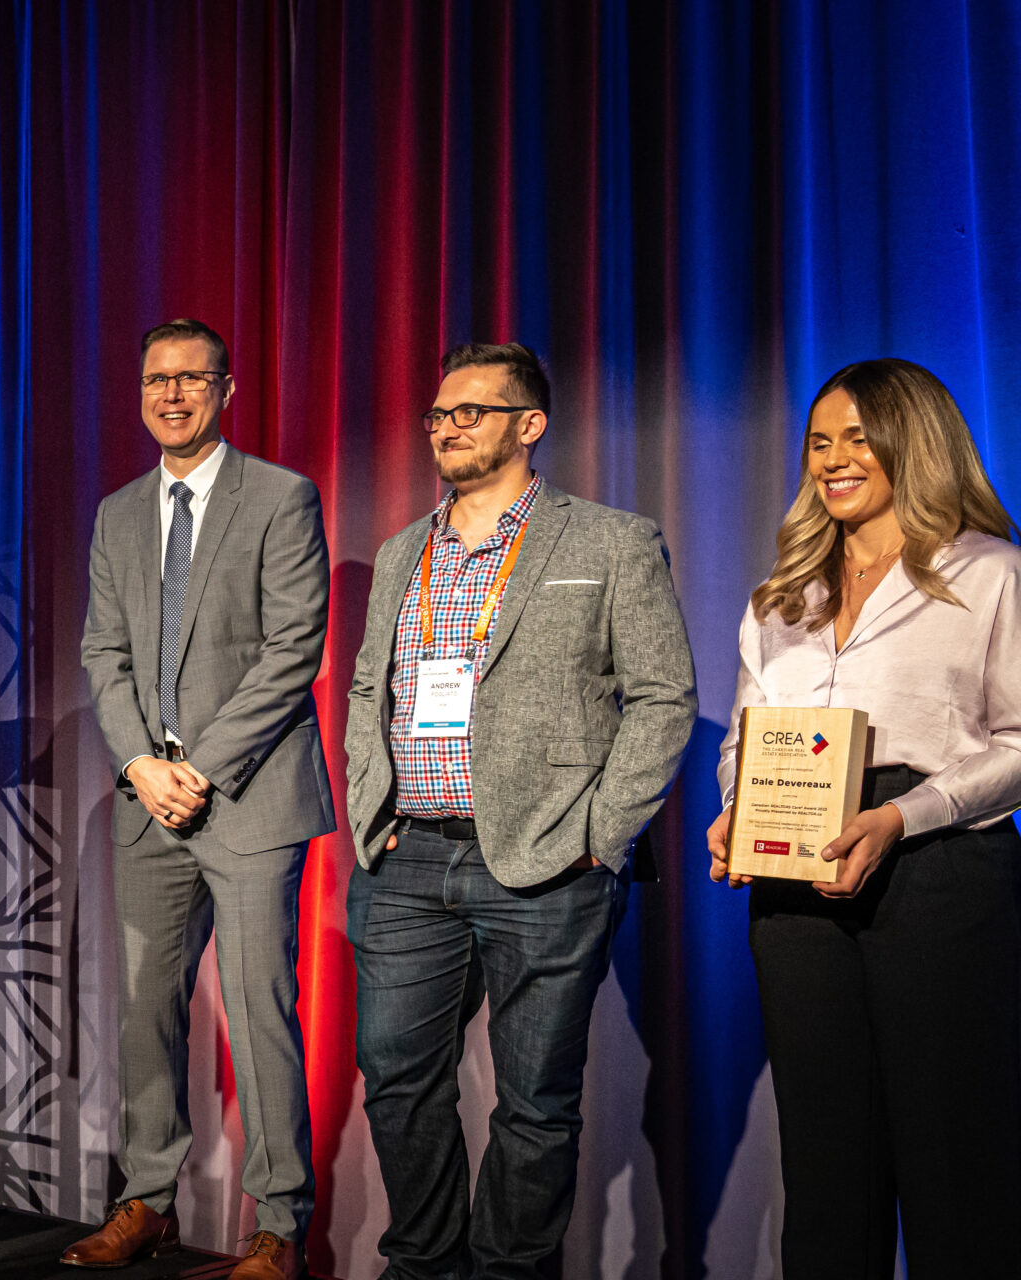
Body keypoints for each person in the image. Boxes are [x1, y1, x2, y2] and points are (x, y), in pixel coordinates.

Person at [344, 342, 695, 1279]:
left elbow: (664, 697)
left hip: (545, 861)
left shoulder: (611, 541)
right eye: (438, 415)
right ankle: (425, 1263)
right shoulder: (400, 552)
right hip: (408, 855)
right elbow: (365, 691)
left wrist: (597, 836)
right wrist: (367, 801)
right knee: (396, 1078)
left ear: (528, 425)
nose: (447, 429)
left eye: (471, 412)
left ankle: (510, 1273)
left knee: (535, 1101)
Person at [704, 358, 1021, 1279]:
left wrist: (902, 816)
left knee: (954, 1160)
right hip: (796, 881)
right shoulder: (785, 594)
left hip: (939, 874)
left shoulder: (990, 573)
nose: (833, 460)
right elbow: (746, 738)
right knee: (825, 1159)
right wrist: (735, 812)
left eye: (856, 438)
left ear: (912, 444)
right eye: (819, 441)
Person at [65, 320, 332, 1278]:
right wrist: (140, 763)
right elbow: (106, 653)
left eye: (190, 378)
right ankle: (148, 1201)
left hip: (248, 798)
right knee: (147, 1012)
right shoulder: (118, 513)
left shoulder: (280, 497)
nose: (170, 395)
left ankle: (279, 1225)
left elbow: (293, 649)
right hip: (149, 802)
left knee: (261, 1011)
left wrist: (199, 768)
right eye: (153, 380)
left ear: (226, 388)